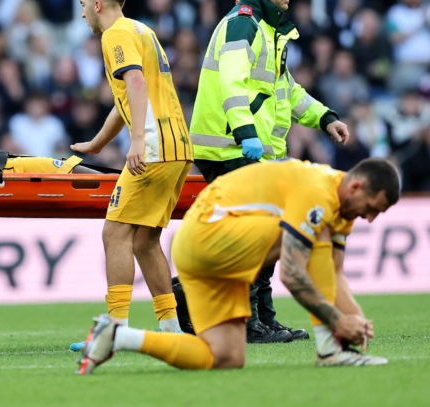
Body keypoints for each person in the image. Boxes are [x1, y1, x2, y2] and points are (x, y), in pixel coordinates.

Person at [77, 157, 401, 374]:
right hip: (210, 233)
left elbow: (335, 272)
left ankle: (117, 336)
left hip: (214, 254)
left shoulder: (341, 208)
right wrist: (337, 322)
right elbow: (292, 272)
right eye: (371, 208)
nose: (370, 218)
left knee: (226, 357)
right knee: (313, 233)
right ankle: (330, 350)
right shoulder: (318, 192)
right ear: (357, 187)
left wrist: (357, 319)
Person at [188, 0, 350, 343]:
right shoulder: (242, 24)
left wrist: (325, 117)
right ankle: (246, 321)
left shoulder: (268, 29)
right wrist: (245, 132)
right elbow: (232, 82)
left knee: (264, 234)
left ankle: (261, 317)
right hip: (228, 146)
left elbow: (287, 91)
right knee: (256, 235)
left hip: (250, 149)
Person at [68, 0, 194, 351]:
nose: (83, 16)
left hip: (153, 149)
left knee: (115, 233)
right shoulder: (141, 30)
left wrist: (137, 140)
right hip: (177, 149)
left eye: (83, 7)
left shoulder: (115, 35)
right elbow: (128, 96)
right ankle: (171, 327)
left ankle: (115, 327)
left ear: (96, 3)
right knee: (144, 240)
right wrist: (97, 142)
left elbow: (136, 85)